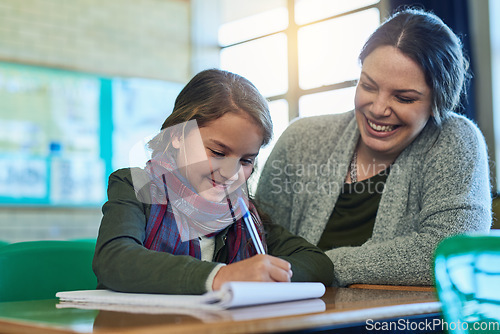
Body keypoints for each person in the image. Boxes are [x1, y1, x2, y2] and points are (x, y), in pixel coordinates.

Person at [255, 8, 492, 287]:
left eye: (403, 98)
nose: (378, 109)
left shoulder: (455, 139)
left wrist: (318, 266)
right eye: (368, 86)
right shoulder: (301, 139)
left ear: (438, 102)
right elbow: (260, 242)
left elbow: (451, 251)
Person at [93, 69, 333, 294]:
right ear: (177, 135)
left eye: (247, 160)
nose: (231, 173)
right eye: (218, 153)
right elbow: (114, 259)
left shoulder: (241, 213)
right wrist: (222, 277)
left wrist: (266, 275)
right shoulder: (136, 185)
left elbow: (317, 263)